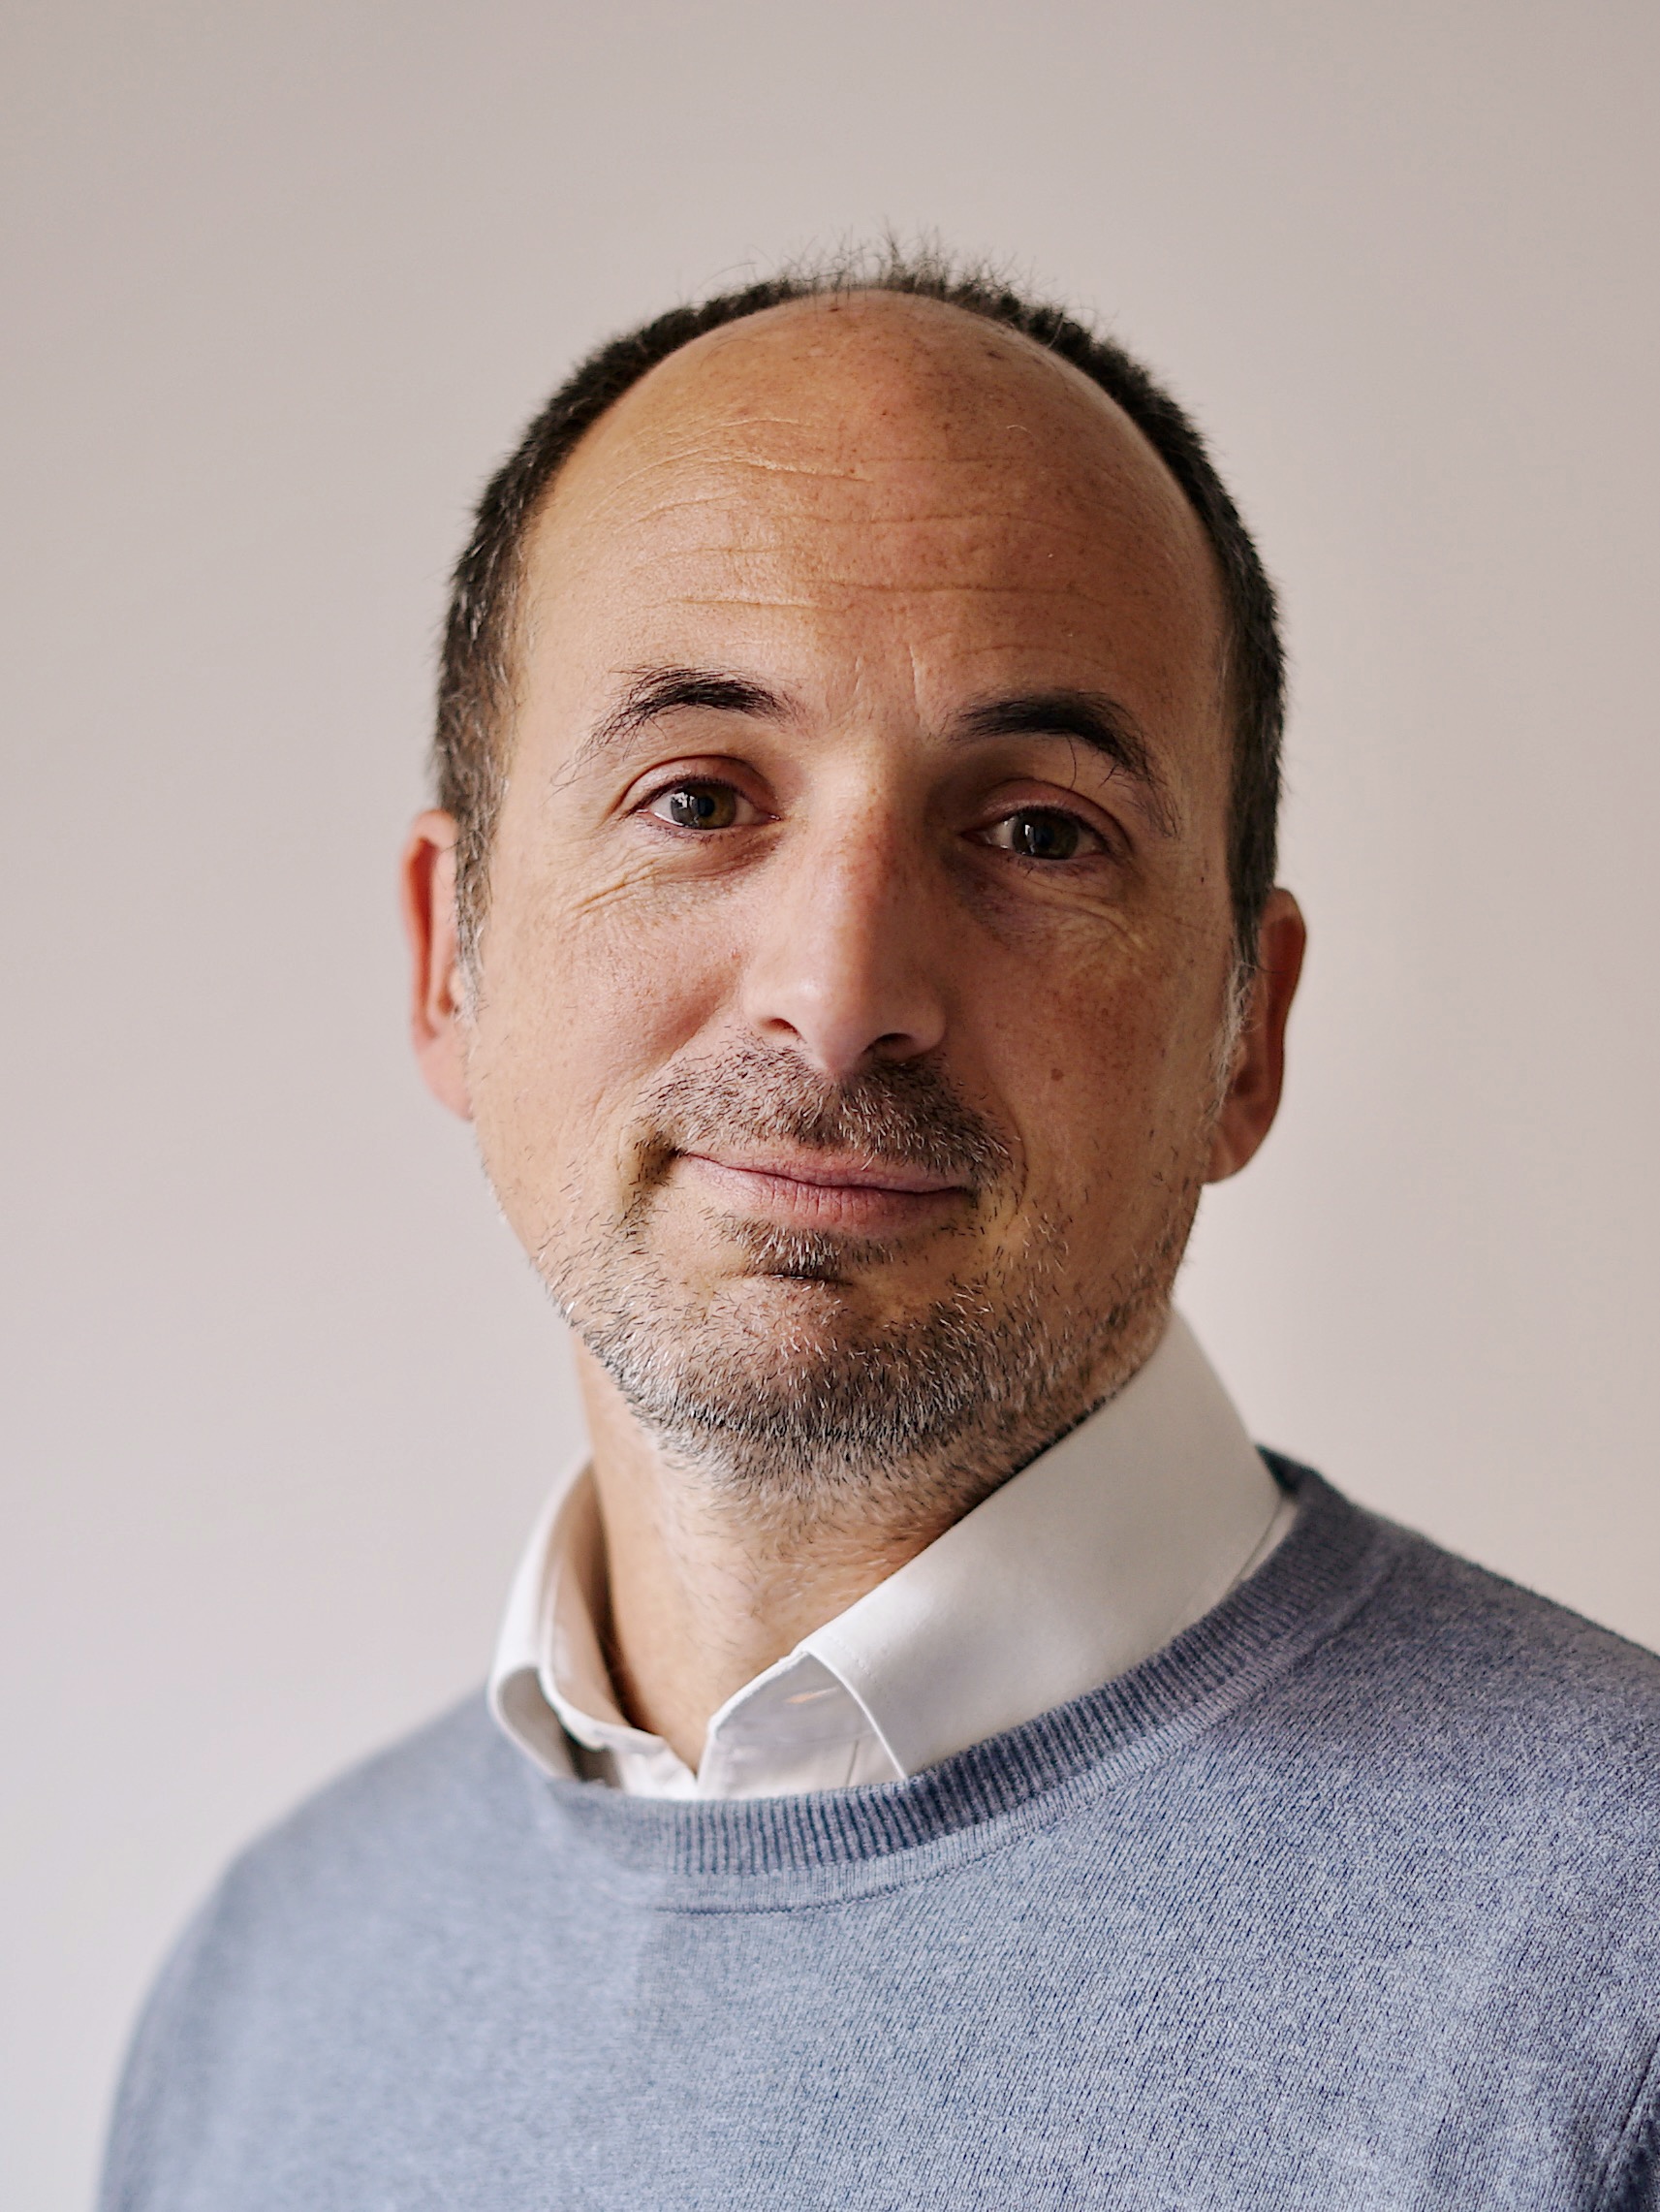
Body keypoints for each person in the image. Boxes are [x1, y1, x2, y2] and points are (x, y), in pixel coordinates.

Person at [100, 253, 1660, 2211]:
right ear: (450, 961)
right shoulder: (272, 1994)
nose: (840, 995)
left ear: (1239, 1033)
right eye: (695, 796)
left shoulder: (1622, 1977)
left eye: (1034, 829)